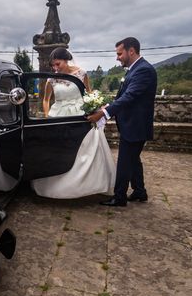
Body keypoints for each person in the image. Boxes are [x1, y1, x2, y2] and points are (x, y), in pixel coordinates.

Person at [31, 48, 116, 199]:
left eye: (58, 64)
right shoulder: (52, 78)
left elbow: (88, 93)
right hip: (58, 113)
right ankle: (57, 184)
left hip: (79, 113)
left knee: (84, 146)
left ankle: (87, 184)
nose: (56, 68)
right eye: (53, 66)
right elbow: (46, 99)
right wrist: (46, 116)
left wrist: (93, 107)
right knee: (58, 149)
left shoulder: (81, 73)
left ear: (66, 59)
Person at [87, 37, 157, 207]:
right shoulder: (135, 69)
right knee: (133, 159)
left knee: (125, 162)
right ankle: (140, 191)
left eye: (119, 53)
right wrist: (107, 105)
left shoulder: (144, 70)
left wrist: (103, 113)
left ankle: (119, 197)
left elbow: (130, 97)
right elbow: (123, 97)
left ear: (131, 51)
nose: (117, 57)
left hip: (136, 125)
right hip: (132, 125)